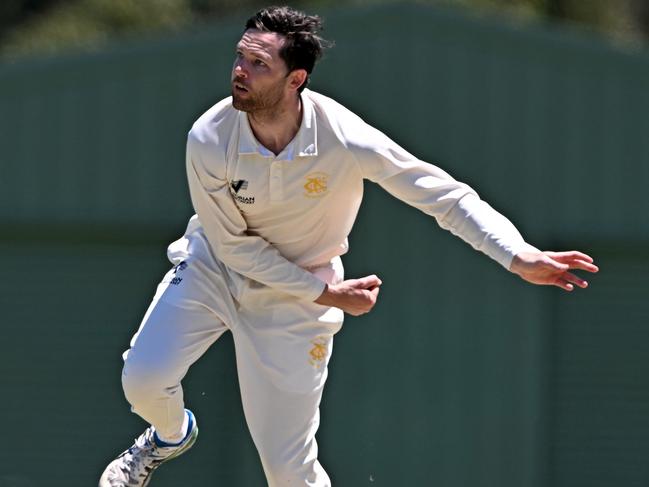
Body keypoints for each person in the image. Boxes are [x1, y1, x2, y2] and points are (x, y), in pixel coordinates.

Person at [98, 6, 598, 487]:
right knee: (142, 378)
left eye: (258, 64)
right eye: (239, 57)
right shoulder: (209, 136)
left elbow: (442, 195)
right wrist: (330, 296)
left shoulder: (343, 137)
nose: (239, 71)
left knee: (289, 473)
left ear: (295, 80)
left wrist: (516, 254)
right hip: (217, 266)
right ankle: (169, 436)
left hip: (298, 295)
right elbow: (234, 248)